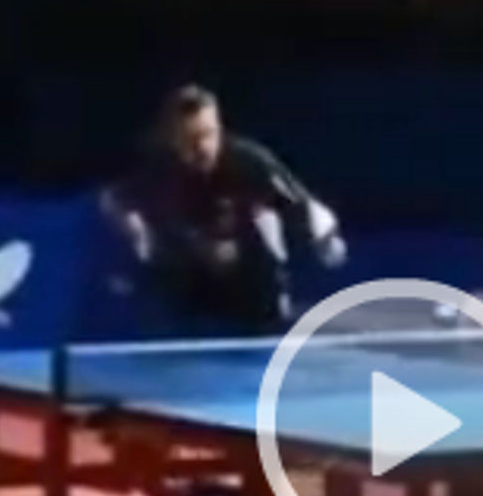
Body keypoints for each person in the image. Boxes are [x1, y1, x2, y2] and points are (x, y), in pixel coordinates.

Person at [101, 84, 347, 334]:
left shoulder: (250, 161)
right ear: (172, 139)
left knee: (265, 220)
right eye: (191, 139)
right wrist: (132, 227)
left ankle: (270, 315)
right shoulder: (157, 169)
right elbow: (113, 199)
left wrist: (324, 236)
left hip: (249, 273)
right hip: (190, 273)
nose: (202, 147)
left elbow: (304, 205)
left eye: (209, 134)